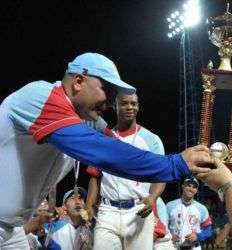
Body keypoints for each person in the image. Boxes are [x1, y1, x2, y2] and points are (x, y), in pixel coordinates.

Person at [0, 52, 213, 248]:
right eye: (108, 91)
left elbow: (118, 145)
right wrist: (175, 164)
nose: (111, 103)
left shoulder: (80, 118)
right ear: (78, 82)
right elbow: (108, 153)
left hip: (12, 229)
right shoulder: (41, 97)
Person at [86, 92, 166, 249]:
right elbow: (95, 176)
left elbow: (161, 175)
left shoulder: (151, 139)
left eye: (133, 104)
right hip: (107, 211)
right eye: (124, 103)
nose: (129, 107)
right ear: (115, 106)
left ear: (138, 107)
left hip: (138, 210)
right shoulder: (104, 138)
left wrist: (153, 197)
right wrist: (88, 205)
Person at [167, 178, 213, 250]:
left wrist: (198, 236)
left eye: (194, 187)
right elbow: (162, 226)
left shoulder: (202, 208)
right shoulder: (170, 206)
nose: (191, 189)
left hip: (194, 247)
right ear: (183, 186)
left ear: (196, 190)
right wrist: (169, 236)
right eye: (188, 185)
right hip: (173, 246)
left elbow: (208, 230)